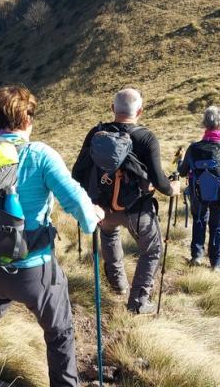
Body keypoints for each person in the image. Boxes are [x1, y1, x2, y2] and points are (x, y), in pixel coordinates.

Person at [0, 85, 104, 386]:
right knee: (59, 329)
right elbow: (76, 202)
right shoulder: (39, 155)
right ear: (26, 119)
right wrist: (94, 219)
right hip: (32, 273)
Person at [72, 88, 180, 315]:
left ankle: (118, 284)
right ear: (140, 111)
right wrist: (173, 189)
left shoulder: (96, 133)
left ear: (113, 109)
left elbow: (78, 171)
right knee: (151, 249)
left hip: (102, 208)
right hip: (136, 210)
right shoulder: (146, 138)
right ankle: (138, 302)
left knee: (110, 235)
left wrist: (88, 201)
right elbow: (160, 180)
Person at [178, 106, 220, 271]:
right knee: (217, 227)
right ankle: (216, 263)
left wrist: (180, 161)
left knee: (199, 220)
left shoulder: (193, 148)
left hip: (197, 193)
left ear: (205, 124)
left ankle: (197, 255)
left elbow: (182, 172)